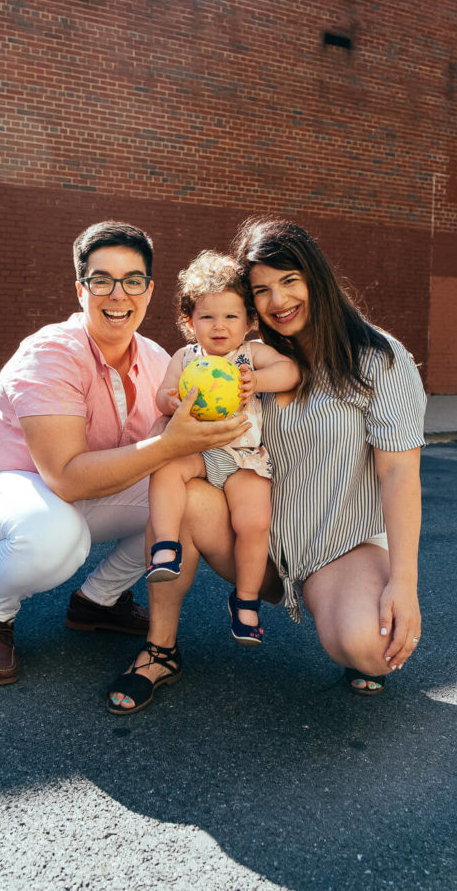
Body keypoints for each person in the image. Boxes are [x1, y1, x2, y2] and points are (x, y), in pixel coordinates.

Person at [107, 217, 426, 713]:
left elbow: (399, 472)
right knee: (179, 491)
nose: (278, 301)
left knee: (372, 646)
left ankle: (351, 625)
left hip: (335, 544)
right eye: (261, 290)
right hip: (251, 532)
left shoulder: (378, 359)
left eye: (290, 281)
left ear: (316, 278)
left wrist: (402, 582)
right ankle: (160, 649)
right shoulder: (235, 357)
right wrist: (170, 428)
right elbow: (177, 423)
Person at [0, 220, 250, 685]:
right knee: (54, 536)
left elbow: (166, 451)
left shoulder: (154, 357)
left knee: (178, 498)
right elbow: (66, 477)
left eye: (132, 281)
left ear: (148, 291)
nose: (118, 295)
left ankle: (97, 603)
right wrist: (172, 444)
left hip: (74, 489)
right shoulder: (50, 353)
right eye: (101, 280)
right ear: (80, 289)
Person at [145, 251, 300, 648]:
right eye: (207, 317)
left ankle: (245, 601)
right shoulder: (186, 357)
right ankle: (165, 546)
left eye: (231, 317)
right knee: (165, 468)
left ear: (249, 322)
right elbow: (162, 395)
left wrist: (257, 382)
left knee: (254, 523)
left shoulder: (250, 355)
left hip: (243, 459)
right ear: (189, 321)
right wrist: (172, 402)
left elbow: (292, 371)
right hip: (198, 448)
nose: (219, 327)